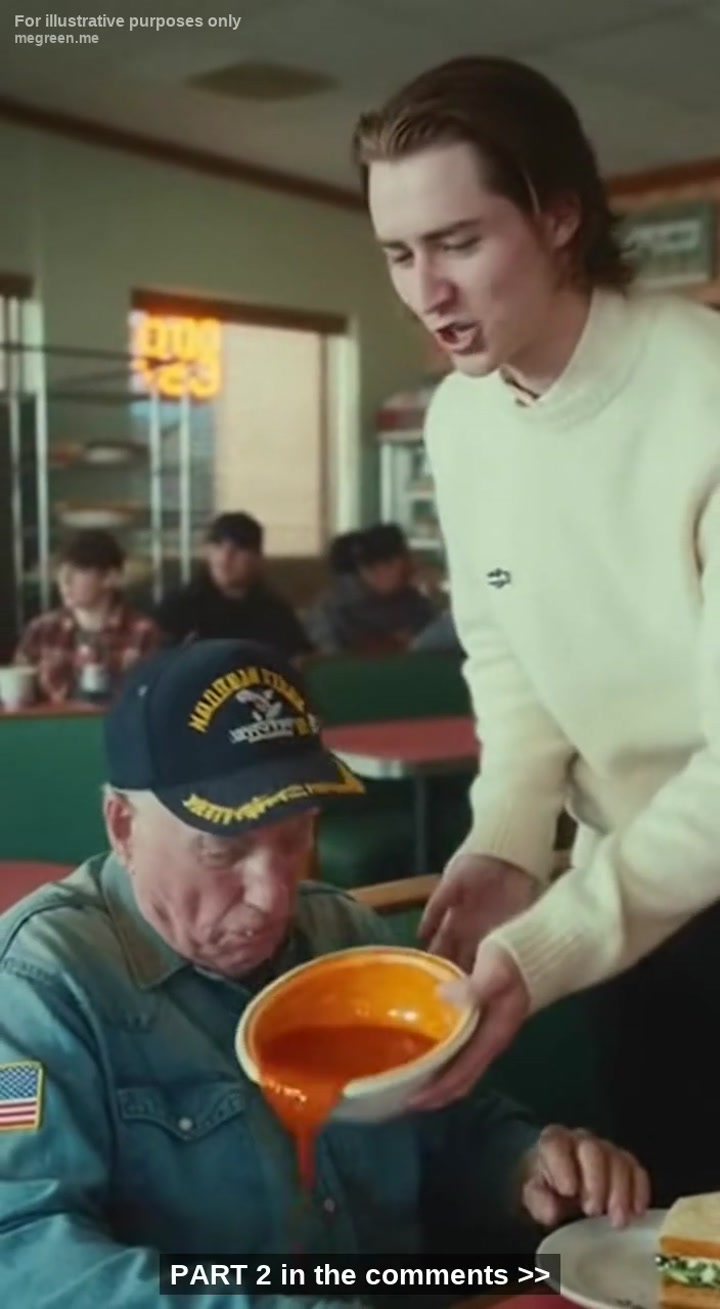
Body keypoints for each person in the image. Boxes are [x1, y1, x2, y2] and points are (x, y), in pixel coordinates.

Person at [0, 638, 649, 1306]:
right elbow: (22, 1250)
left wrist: (527, 1165)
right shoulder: (37, 988)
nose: (274, 895)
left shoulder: (344, 933)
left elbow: (449, 1125)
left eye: (295, 837)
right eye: (225, 849)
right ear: (123, 826)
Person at [353, 55, 720, 1202]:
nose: (426, 290)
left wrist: (549, 942)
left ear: (560, 217)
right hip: (636, 904)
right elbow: (507, 654)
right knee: (671, 1234)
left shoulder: (704, 393)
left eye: (458, 242)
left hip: (653, 879)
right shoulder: (462, 421)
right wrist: (507, 843)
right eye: (399, 254)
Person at [14, 528, 161, 703]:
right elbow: (15, 696)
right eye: (62, 571)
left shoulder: (143, 633)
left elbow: (155, 698)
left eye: (78, 571)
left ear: (110, 577)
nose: (65, 581)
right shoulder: (41, 631)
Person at [155, 511, 313, 660]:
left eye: (239, 547)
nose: (226, 556)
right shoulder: (180, 605)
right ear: (207, 551)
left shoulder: (275, 612)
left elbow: (301, 658)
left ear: (258, 559)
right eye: (218, 544)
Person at [306, 523, 436, 653]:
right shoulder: (332, 609)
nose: (411, 571)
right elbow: (328, 657)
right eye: (404, 565)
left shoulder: (415, 603)